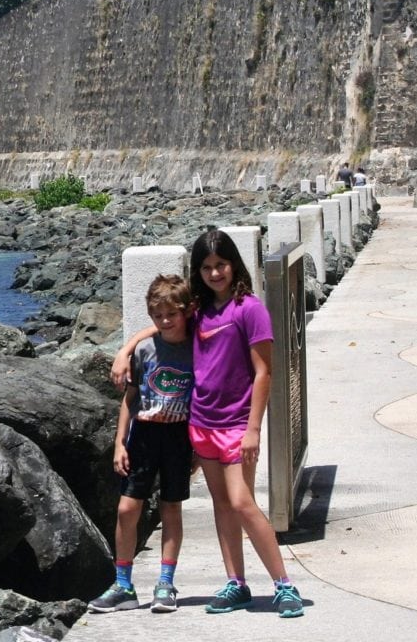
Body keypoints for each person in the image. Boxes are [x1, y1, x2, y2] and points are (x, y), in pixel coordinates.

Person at [111, 230, 305, 619]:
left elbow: (264, 371)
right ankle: (237, 582)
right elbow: (163, 324)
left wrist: (253, 429)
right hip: (201, 423)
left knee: (242, 502)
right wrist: (126, 349)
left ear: (234, 264)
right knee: (221, 506)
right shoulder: (198, 309)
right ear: (198, 272)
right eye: (206, 267)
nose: (215, 273)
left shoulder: (249, 308)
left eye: (221, 264)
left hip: (236, 423)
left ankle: (284, 585)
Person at [88, 275, 194, 614]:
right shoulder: (145, 350)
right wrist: (120, 443)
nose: (165, 321)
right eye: (158, 316)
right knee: (126, 508)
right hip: (144, 435)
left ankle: (166, 582)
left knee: (171, 507)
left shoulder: (196, 348)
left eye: (171, 314)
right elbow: (130, 399)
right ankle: (123, 584)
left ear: (185, 312)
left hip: (179, 435)